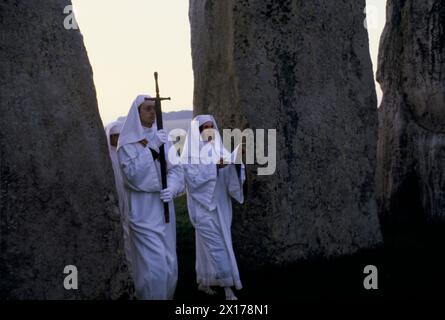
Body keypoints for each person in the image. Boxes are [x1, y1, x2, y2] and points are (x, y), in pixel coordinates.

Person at [117, 94, 184, 300]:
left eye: (154, 108)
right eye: (147, 108)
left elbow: (176, 170)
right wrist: (153, 146)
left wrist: (171, 188)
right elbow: (133, 175)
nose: (153, 112)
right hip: (143, 210)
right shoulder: (127, 144)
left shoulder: (162, 138)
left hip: (164, 208)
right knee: (154, 268)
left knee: (169, 263)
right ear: (136, 113)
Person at [181, 114, 246, 300]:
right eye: (204, 127)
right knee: (218, 246)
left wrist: (236, 161)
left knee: (206, 245)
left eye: (211, 126)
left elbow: (230, 176)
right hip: (203, 208)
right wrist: (214, 168)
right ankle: (228, 288)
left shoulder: (220, 149)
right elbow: (193, 182)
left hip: (221, 206)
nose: (209, 130)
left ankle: (205, 280)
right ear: (197, 132)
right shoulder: (189, 156)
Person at [104, 116, 133, 279]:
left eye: (119, 136)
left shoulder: (125, 153)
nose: (117, 139)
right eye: (114, 136)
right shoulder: (107, 156)